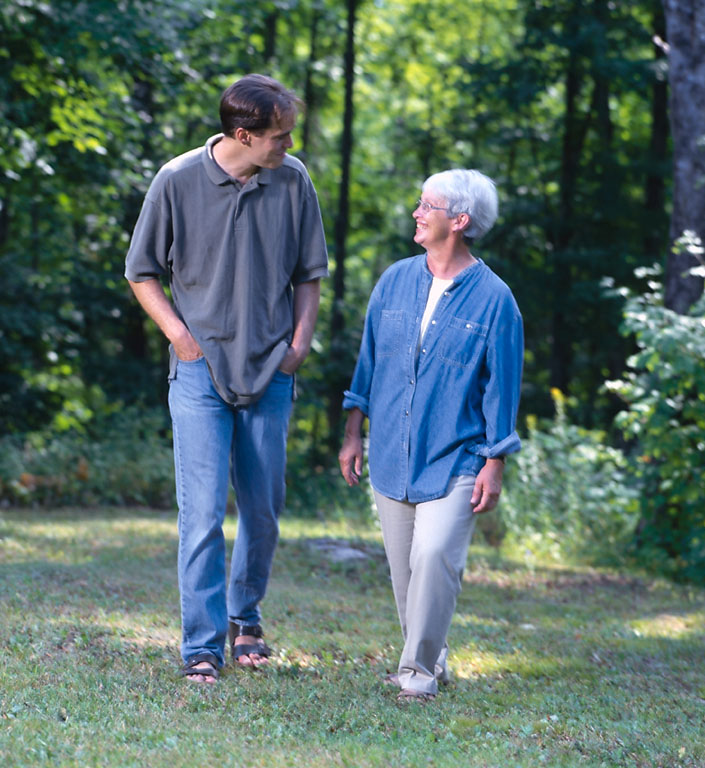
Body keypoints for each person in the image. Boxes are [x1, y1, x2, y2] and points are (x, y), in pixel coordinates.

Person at [125, 74, 328, 683]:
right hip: (199, 374)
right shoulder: (177, 179)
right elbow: (141, 273)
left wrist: (299, 344)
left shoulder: (293, 182)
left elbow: (309, 275)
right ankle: (201, 647)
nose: (288, 145)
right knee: (204, 514)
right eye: (279, 136)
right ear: (244, 134)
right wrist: (181, 339)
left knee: (263, 510)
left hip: (270, 372)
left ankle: (248, 620)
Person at [338, 169, 522, 703]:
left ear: (458, 221)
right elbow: (368, 364)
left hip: (459, 454)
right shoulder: (394, 280)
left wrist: (495, 460)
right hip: (391, 453)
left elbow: (502, 389)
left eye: (427, 205)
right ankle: (433, 658)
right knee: (406, 572)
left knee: (436, 554)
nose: (417, 213)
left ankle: (415, 675)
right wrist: (354, 434)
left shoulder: (495, 300)